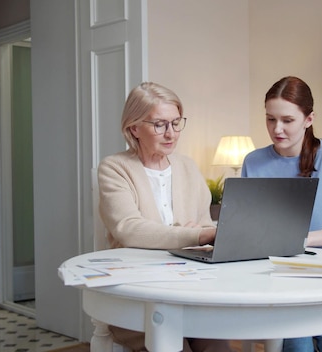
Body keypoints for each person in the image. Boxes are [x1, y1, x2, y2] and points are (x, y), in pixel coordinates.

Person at [98, 82, 232, 352]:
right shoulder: (114, 168)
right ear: (134, 127)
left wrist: (199, 231)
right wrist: (194, 233)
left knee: (220, 347)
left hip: (189, 290)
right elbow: (130, 230)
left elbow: (204, 224)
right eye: (159, 124)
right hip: (137, 293)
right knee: (173, 346)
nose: (171, 133)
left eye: (176, 122)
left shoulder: (188, 167)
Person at [241, 76, 322, 352]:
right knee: (297, 344)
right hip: (277, 281)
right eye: (270, 119)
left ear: (309, 119)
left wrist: (299, 239)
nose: (277, 129)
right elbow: (250, 229)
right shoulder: (253, 161)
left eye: (287, 120)